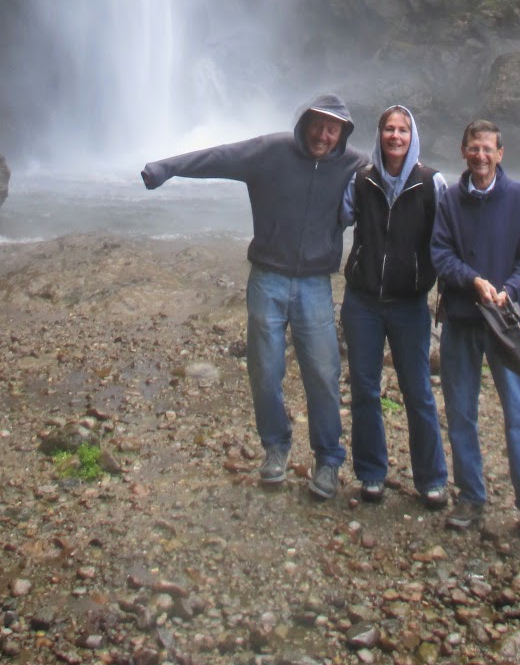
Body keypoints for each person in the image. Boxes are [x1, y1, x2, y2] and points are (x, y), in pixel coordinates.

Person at [141, 94, 367, 499]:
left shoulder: (354, 165)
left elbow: (403, 171)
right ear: (305, 123)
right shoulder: (271, 151)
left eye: (333, 128)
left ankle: (329, 459)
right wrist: (166, 168)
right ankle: (275, 449)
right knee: (264, 372)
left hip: (316, 283)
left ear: (343, 133)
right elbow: (220, 157)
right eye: (318, 124)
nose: (323, 134)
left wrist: (444, 191)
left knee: (324, 374)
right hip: (268, 277)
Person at [430, 119, 520, 541]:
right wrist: (471, 279)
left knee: (519, 413)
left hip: (508, 320)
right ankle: (470, 496)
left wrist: (509, 291)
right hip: (462, 318)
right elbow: (439, 252)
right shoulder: (449, 201)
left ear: (500, 154)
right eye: (473, 148)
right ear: (463, 151)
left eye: (488, 149)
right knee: (461, 413)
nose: (480, 156)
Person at [340, 104, 449, 508]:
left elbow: (448, 236)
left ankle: (432, 478)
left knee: (418, 390)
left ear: (412, 136)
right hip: (363, 301)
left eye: (403, 130)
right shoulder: (362, 179)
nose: (396, 136)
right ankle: (371, 474)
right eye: (389, 129)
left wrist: (451, 289)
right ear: (380, 134)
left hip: (409, 303)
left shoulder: (430, 182)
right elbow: (339, 217)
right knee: (365, 389)